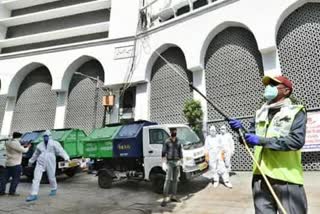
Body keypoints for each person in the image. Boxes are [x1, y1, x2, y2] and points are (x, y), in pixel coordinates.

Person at [229, 75, 308, 214]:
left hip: (286, 178)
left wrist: (261, 141)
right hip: (260, 177)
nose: (269, 87)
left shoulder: (296, 111)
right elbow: (249, 140)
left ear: (286, 90)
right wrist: (240, 131)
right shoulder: (260, 113)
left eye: (274, 84)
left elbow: (296, 141)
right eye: (268, 85)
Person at [26, 130, 70, 202]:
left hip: (50, 161)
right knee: (36, 178)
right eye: (44, 136)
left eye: (46, 136)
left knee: (51, 176)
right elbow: (36, 154)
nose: (45, 138)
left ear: (50, 137)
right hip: (40, 162)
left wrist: (66, 158)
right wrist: (30, 161)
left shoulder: (55, 144)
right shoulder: (40, 145)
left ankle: (54, 188)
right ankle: (33, 194)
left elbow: (61, 151)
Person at [161, 127, 183, 207]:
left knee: (175, 180)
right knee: (167, 180)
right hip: (169, 163)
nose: (174, 132)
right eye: (172, 131)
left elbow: (180, 152)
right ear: (170, 132)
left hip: (177, 163)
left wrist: (181, 162)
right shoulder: (167, 141)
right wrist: (164, 163)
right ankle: (164, 199)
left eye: (175, 131)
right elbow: (163, 153)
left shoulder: (178, 141)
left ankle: (173, 196)